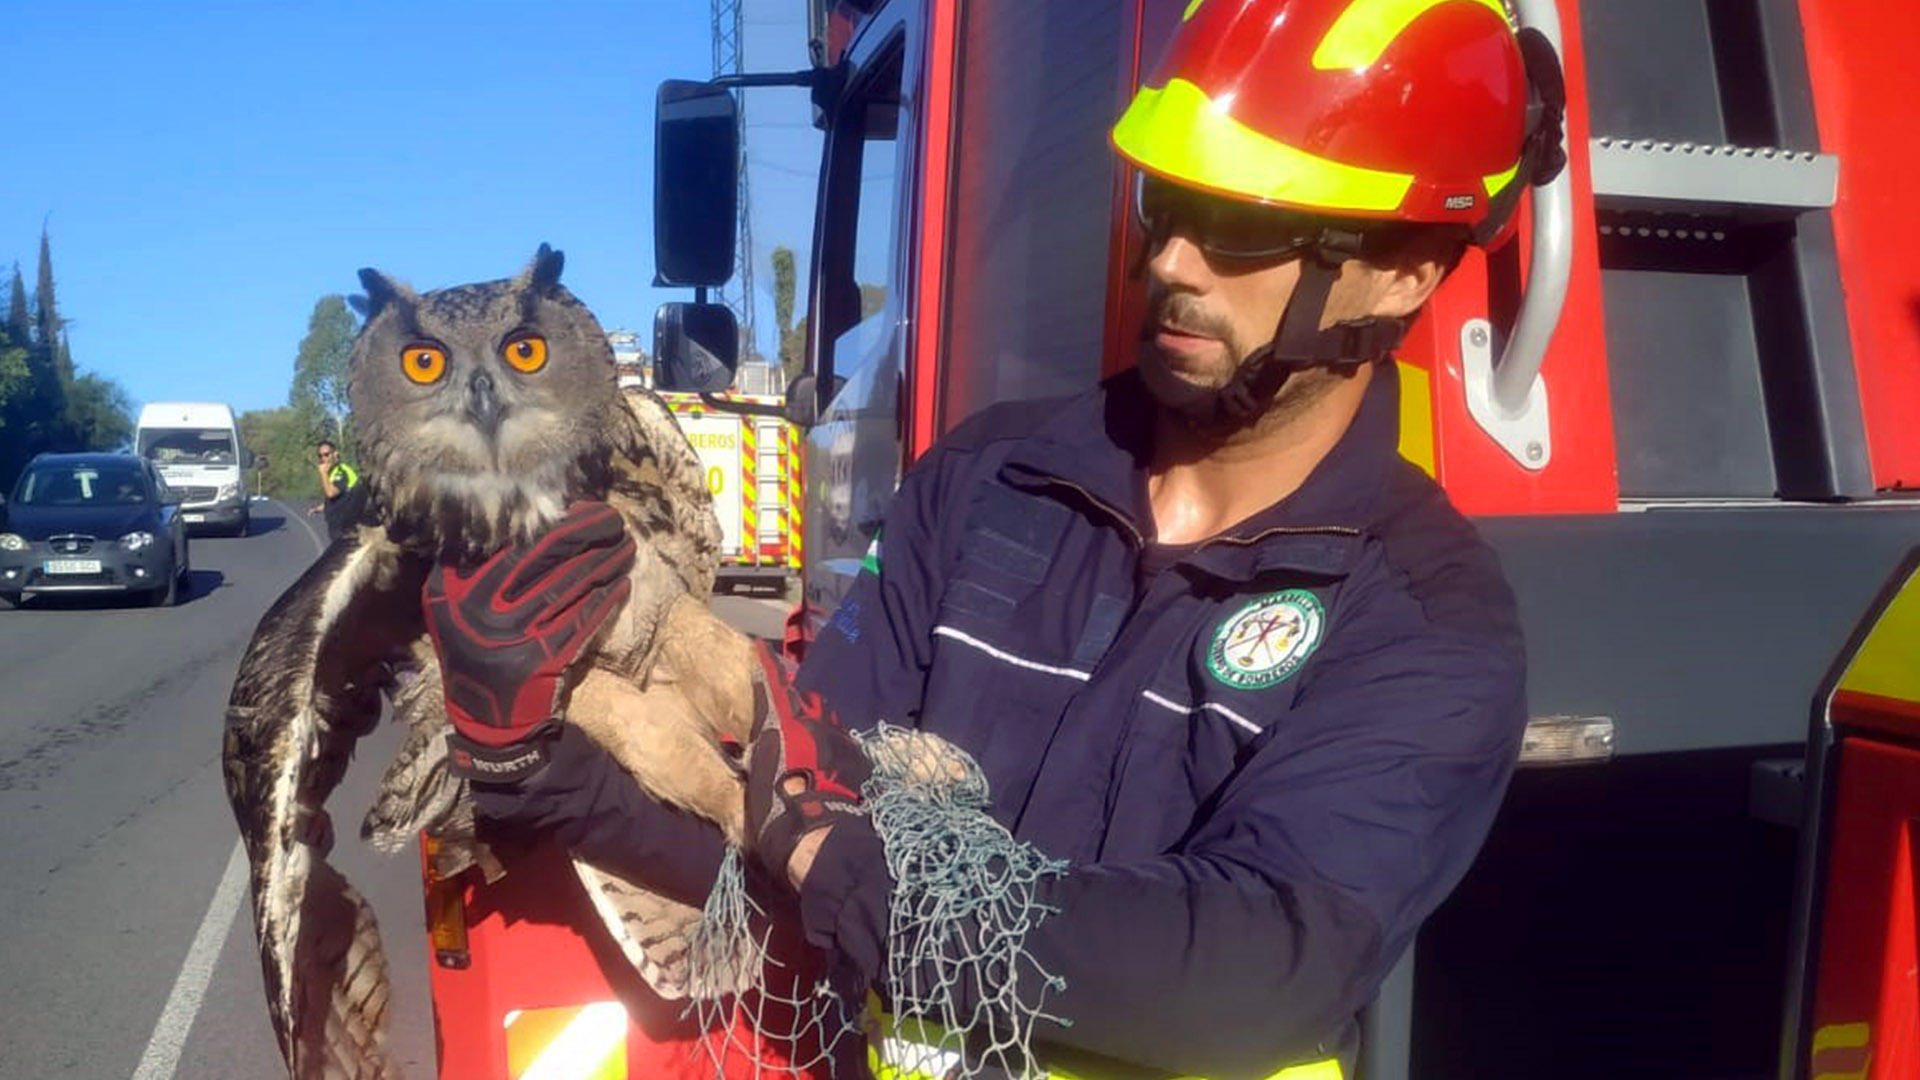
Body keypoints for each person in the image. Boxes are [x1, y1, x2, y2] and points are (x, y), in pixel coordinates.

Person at [420, 1, 1567, 1076]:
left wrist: (836, 862)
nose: (1170, 262)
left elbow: (1253, 970)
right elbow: (785, 837)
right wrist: (540, 768)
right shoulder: (983, 484)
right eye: (1166, 207)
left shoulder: (1423, 613)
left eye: (1245, 229)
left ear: (1402, 271)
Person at [307, 439, 362, 541]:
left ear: (335, 454)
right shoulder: (332, 472)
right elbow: (340, 498)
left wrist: (322, 473)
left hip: (347, 528)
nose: (323, 459)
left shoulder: (341, 471)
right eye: (320, 456)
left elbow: (331, 493)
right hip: (337, 527)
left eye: (326, 454)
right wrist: (321, 508)